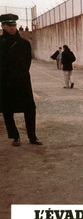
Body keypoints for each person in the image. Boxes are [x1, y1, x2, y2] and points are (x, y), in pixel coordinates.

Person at [0, 13, 42, 146]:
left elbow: (27, 62)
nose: (13, 28)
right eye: (9, 25)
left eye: (14, 25)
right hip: (5, 82)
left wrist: (21, 73)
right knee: (7, 110)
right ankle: (15, 136)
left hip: (22, 81)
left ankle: (32, 136)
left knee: (30, 108)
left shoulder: (24, 44)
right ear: (3, 26)